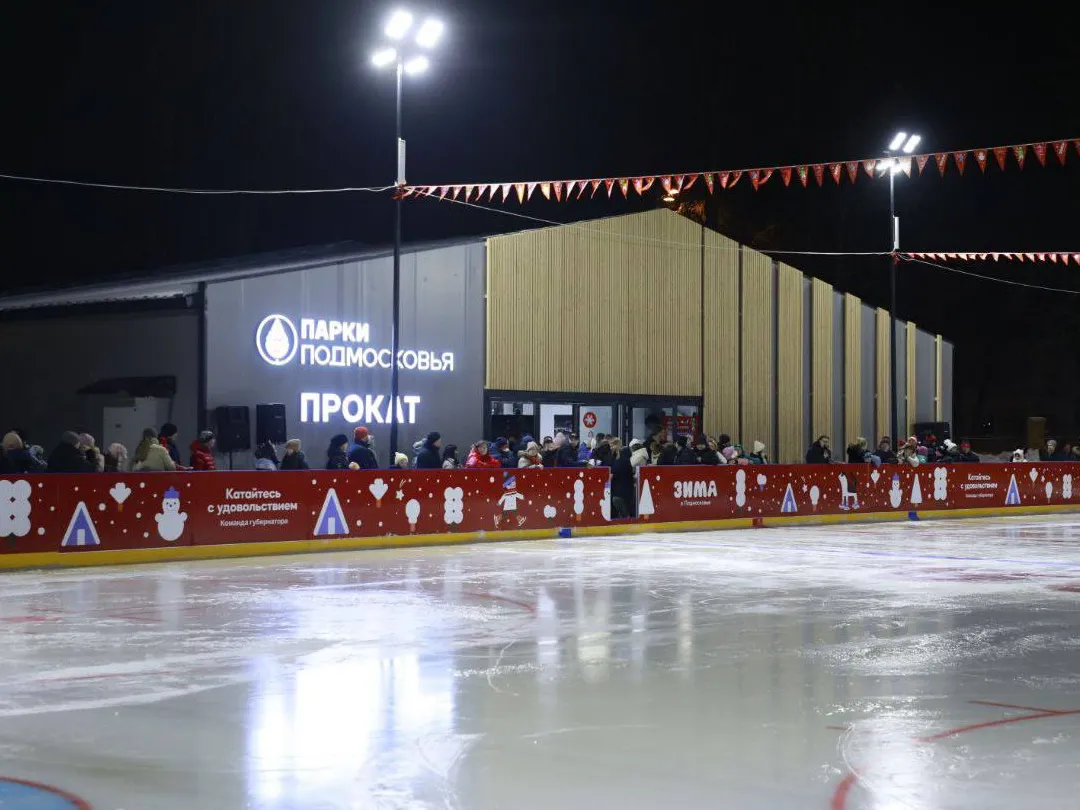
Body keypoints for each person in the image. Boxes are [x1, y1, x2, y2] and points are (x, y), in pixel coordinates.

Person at [610, 442, 635, 518]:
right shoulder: (627, 462)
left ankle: (625, 516)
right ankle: (626, 516)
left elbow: (614, 473)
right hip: (626, 489)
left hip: (619, 490)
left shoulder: (619, 462)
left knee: (618, 502)